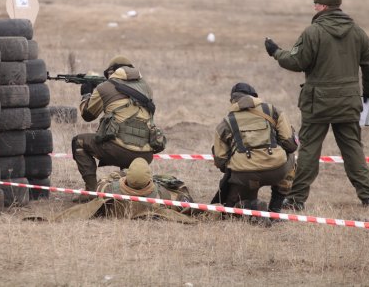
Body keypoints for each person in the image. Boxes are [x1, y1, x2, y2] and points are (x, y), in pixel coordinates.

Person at [264, 0, 369, 210]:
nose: (314, 7)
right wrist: (368, 93)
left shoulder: (313, 32)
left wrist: (276, 52)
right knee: (353, 149)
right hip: (349, 102)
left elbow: (296, 62)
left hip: (318, 103)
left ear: (324, 5)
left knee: (308, 150)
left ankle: (296, 199)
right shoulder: (358, 32)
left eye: (316, 3)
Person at [72, 55, 156, 195]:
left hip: (119, 151)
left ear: (111, 72)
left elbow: (88, 115)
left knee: (78, 142)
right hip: (146, 154)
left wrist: (87, 93)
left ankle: (91, 192)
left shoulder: (105, 87)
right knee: (125, 137)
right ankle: (128, 187)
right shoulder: (146, 87)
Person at [211, 82, 298, 214]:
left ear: (232, 100)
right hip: (277, 171)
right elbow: (291, 145)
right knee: (290, 156)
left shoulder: (226, 122)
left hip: (244, 176)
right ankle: (275, 207)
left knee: (233, 208)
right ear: (255, 97)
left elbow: (220, 161)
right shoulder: (273, 111)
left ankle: (251, 203)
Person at [36, 158, 195, 223]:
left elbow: (102, 183)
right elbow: (186, 203)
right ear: (149, 180)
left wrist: (120, 175)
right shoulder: (163, 196)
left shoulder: (109, 190)